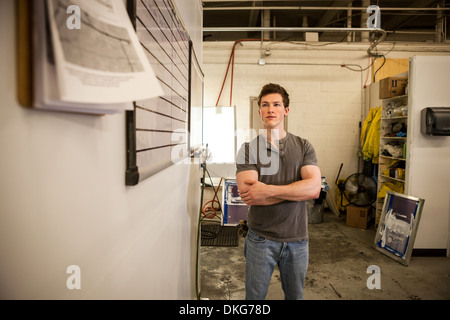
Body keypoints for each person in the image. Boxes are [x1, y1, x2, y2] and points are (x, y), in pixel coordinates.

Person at [235, 83, 322, 300]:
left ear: (286, 110)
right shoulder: (248, 149)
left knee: (295, 297)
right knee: (254, 300)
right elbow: (251, 195)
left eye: (276, 104)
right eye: (265, 105)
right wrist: (295, 191)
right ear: (259, 111)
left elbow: (313, 189)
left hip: (298, 240)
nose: (270, 109)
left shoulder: (303, 146)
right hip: (260, 239)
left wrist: (268, 190)